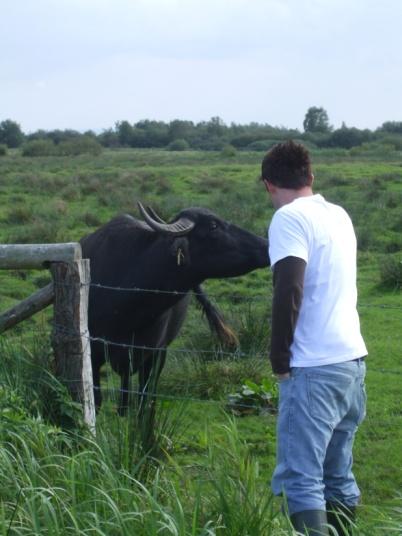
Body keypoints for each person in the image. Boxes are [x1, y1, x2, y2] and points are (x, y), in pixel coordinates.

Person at [261, 140, 367, 535]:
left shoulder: (289, 219)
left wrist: (279, 357)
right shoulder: (338, 215)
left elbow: (289, 287)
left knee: (300, 479)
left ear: (268, 184)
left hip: (313, 367)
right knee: (337, 473)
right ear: (311, 177)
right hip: (351, 363)